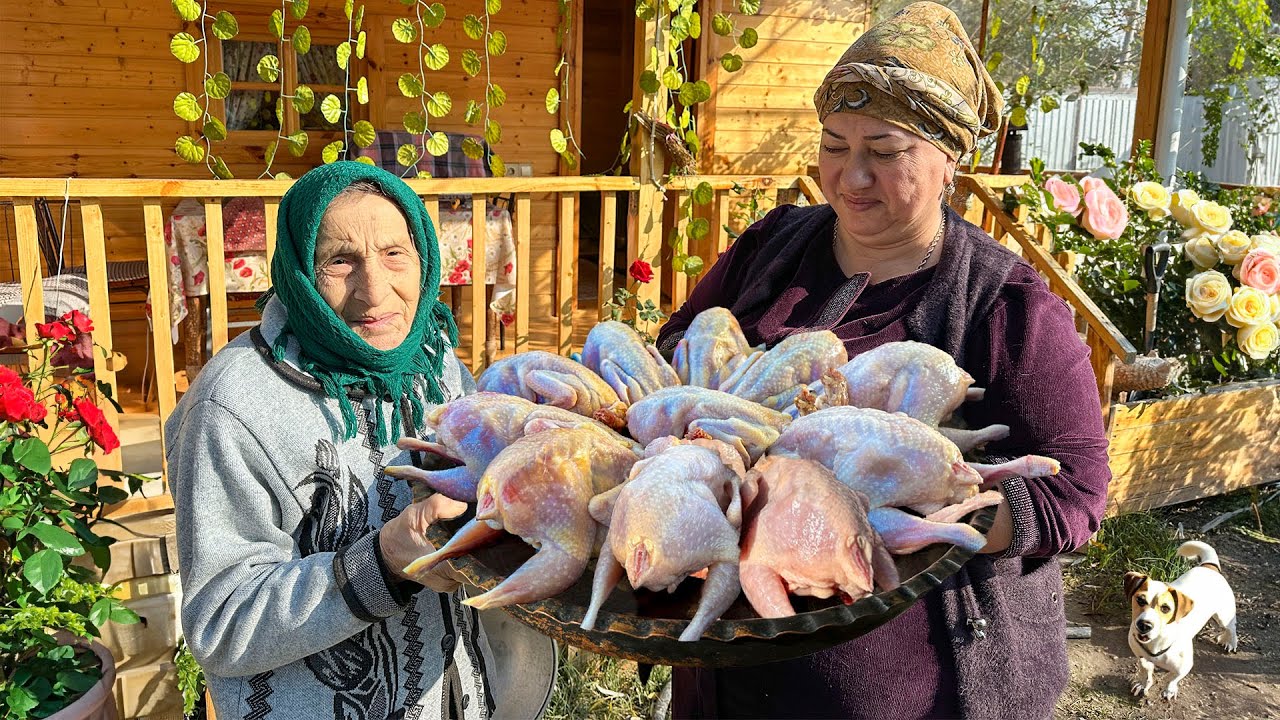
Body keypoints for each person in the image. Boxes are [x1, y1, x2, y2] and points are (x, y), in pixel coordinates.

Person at [658, 4, 1111, 718]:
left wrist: (933, 509)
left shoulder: (1006, 306)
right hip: (731, 661)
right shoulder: (772, 249)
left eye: (885, 149)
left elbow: (1078, 492)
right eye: (834, 145)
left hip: (915, 686)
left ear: (948, 159)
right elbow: (677, 347)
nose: (852, 175)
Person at [168, 162, 552, 719]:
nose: (375, 290)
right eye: (340, 261)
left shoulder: (430, 356)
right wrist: (385, 560)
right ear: (300, 270)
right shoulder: (232, 406)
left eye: (395, 253)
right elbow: (222, 621)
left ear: (424, 255)